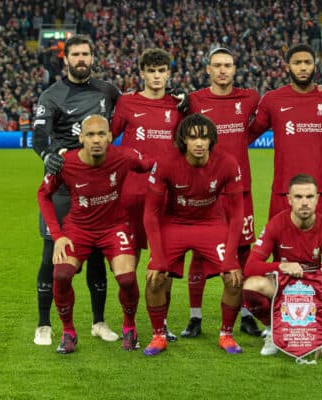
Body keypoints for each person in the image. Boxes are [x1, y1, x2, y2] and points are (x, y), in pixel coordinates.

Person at [37, 114, 154, 353]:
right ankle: (68, 333)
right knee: (60, 275)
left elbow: (150, 163)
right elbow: (43, 195)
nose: (96, 139)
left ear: (110, 136)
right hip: (78, 229)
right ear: (81, 138)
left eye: (101, 134)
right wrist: (58, 235)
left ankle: (129, 327)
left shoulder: (123, 157)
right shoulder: (66, 163)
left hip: (114, 227)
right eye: (90, 135)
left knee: (128, 279)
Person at [32, 34, 121, 346]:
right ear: (65, 59)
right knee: (51, 253)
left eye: (86, 54)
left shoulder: (108, 91)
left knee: (97, 253)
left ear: (92, 58)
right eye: (76, 55)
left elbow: (131, 117)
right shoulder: (52, 96)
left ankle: (98, 322)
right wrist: (49, 158)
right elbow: (39, 137)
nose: (81, 59)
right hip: (62, 186)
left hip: (96, 184)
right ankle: (44, 324)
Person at [142, 113, 244, 356]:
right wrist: (157, 257)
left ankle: (226, 334)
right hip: (174, 223)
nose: (199, 143)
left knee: (234, 277)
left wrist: (230, 257)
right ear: (183, 140)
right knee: (154, 277)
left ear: (211, 140)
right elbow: (150, 213)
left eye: (204, 138)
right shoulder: (166, 162)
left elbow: (237, 214)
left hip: (210, 223)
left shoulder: (228, 163)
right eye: (193, 138)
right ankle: (159, 335)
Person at [182, 47, 262, 339]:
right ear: (208, 69)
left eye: (228, 65)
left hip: (240, 190)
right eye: (217, 65)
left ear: (234, 68)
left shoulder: (250, 97)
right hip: (206, 192)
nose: (223, 70)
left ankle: (246, 315)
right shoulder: (194, 101)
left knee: (243, 253)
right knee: (200, 253)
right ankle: (194, 318)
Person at [243, 174, 322, 357]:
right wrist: (281, 267)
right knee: (251, 286)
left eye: (309, 197)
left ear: (317, 199)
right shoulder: (276, 224)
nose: (304, 202)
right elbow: (250, 267)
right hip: (284, 286)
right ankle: (274, 329)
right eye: (298, 197)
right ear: (289, 199)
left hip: (317, 286)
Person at [110, 47, 187, 341]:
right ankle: (129, 324)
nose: (156, 76)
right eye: (151, 71)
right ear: (142, 73)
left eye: (161, 71)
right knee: (129, 265)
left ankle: (161, 323)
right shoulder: (127, 103)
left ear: (168, 73)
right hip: (130, 195)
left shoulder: (177, 106)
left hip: (165, 196)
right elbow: (108, 138)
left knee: (163, 262)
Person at [249, 43, 322, 221]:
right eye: (297, 63)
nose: (302, 67)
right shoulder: (272, 100)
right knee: (281, 247)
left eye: (307, 62)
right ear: (287, 67)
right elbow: (250, 134)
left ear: (315, 65)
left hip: (319, 191)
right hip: (283, 191)